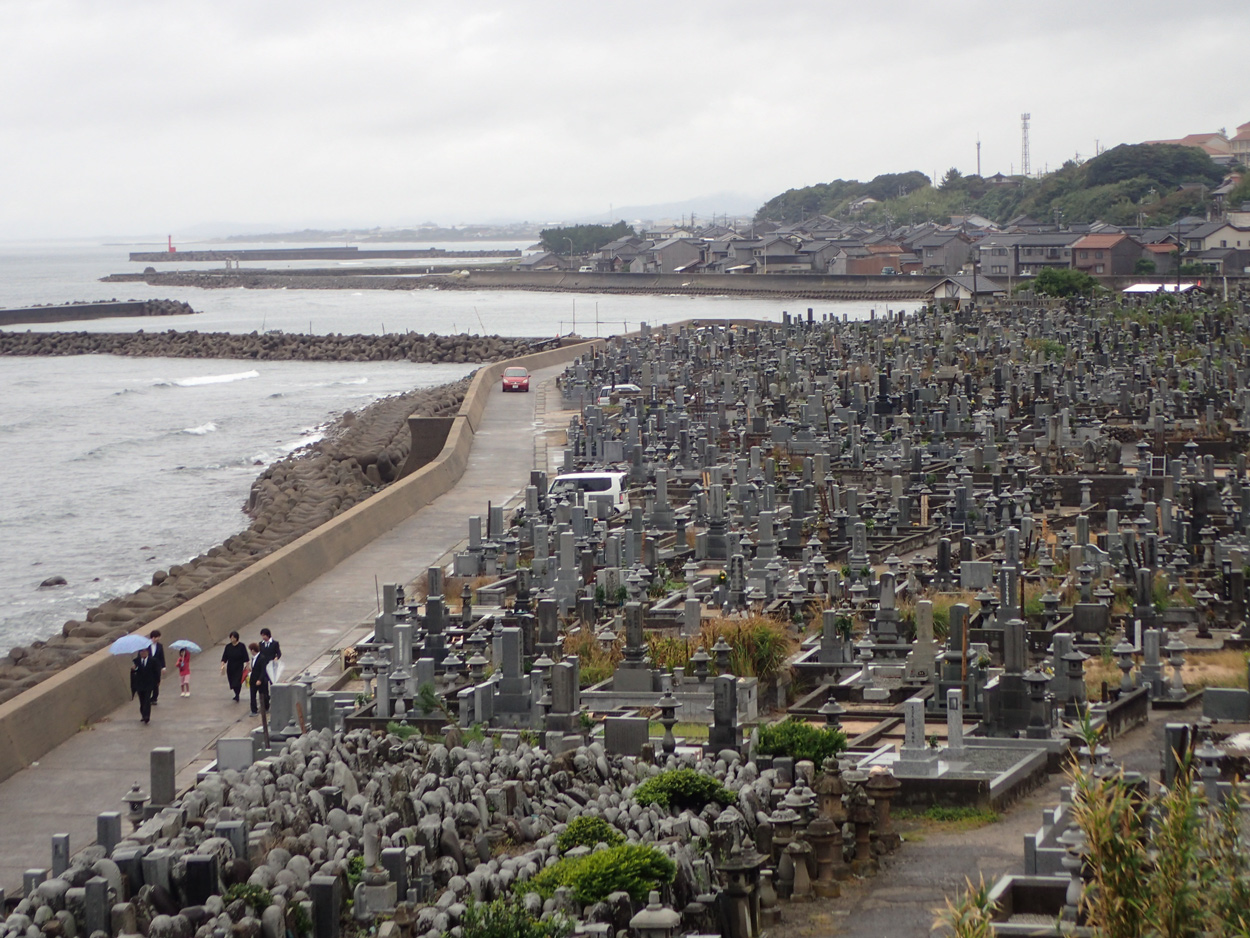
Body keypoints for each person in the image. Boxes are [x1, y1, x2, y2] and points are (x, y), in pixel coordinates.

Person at [250, 629, 282, 715]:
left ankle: (274, 699)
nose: (263, 637)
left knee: (272, 683)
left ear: (268, 635)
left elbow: (278, 653)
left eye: (264, 635)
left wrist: (276, 658)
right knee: (264, 686)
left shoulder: (275, 643)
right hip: (263, 667)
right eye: (262, 636)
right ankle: (266, 700)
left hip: (271, 667)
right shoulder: (261, 644)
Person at [130, 646, 159, 724]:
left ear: (148, 652)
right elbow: (134, 673)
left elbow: (156, 672)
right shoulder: (136, 661)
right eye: (141, 652)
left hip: (149, 683)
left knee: (147, 700)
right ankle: (143, 714)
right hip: (139, 684)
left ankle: (147, 716)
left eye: (145, 651)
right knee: (142, 700)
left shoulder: (153, 661)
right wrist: (133, 669)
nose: (143, 653)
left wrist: (157, 681)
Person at [220, 631, 249, 702]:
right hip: (230, 667)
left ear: (236, 638)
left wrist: (247, 665)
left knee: (237, 682)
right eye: (231, 637)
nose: (232, 639)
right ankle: (236, 693)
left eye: (233, 637)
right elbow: (224, 657)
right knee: (232, 682)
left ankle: (237, 695)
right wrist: (222, 664)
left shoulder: (241, 646)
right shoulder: (228, 647)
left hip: (239, 666)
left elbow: (246, 657)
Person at [148, 630, 166, 705]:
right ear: (153, 637)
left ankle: (154, 698)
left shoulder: (160, 646)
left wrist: (163, 667)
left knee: (156, 683)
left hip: (156, 667)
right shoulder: (146, 645)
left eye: (159, 637)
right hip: (148, 667)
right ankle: (147, 697)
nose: (158, 639)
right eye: (157, 637)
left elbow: (162, 657)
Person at [247, 642, 265, 715]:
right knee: (252, 695)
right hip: (253, 679)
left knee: (263, 695)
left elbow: (263, 670)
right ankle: (253, 710)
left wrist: (260, 679)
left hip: (259, 680)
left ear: (253, 650)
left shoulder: (262, 658)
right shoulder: (253, 658)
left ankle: (265, 707)